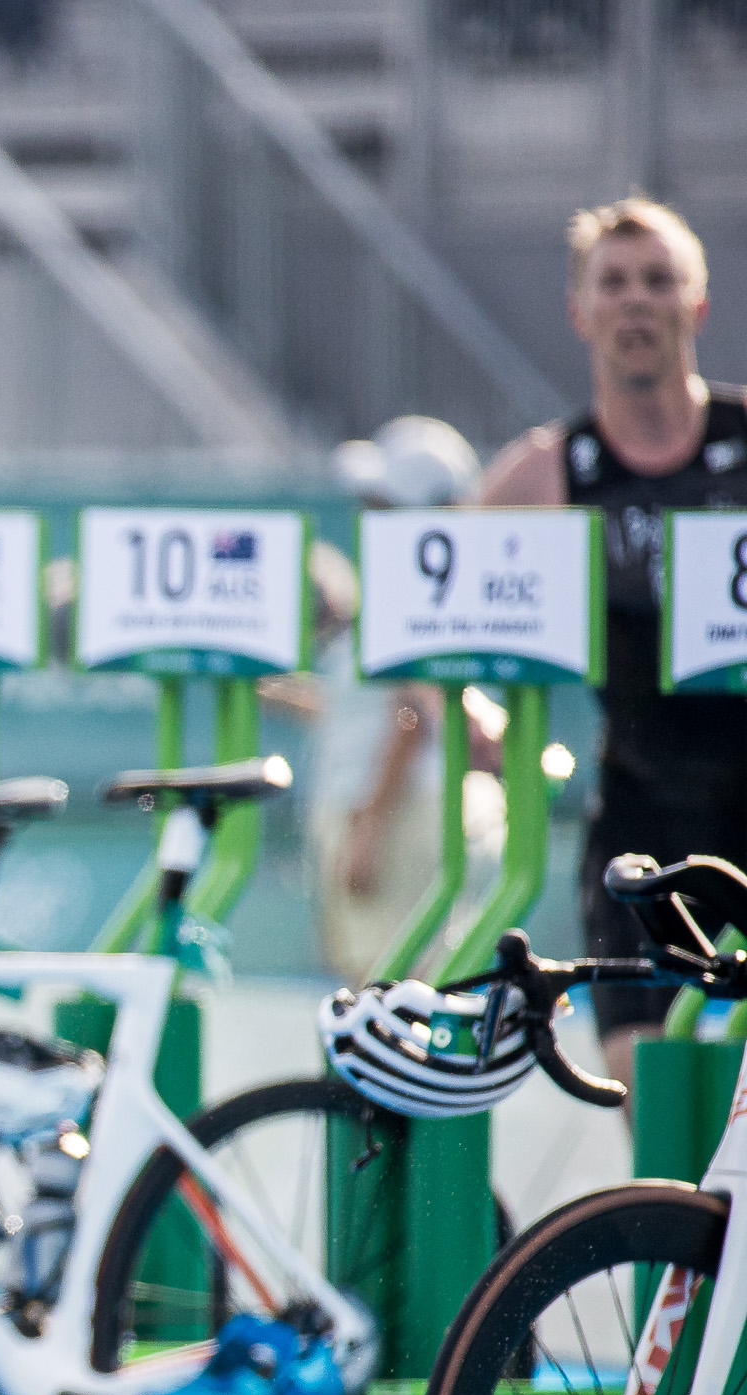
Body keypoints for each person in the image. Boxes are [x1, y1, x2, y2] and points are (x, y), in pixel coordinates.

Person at [469, 197, 747, 1091]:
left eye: (659, 280)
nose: (637, 302)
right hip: (642, 820)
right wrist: (484, 728)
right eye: (615, 283)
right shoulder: (546, 473)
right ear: (580, 313)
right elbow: (425, 620)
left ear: (697, 306)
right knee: (653, 1096)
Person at [309, 418, 505, 982]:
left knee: (392, 1002)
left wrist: (369, 829)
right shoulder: (403, 600)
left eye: (384, 504)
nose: (371, 518)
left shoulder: (410, 604)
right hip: (391, 811)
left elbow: (412, 718)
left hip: (396, 819)